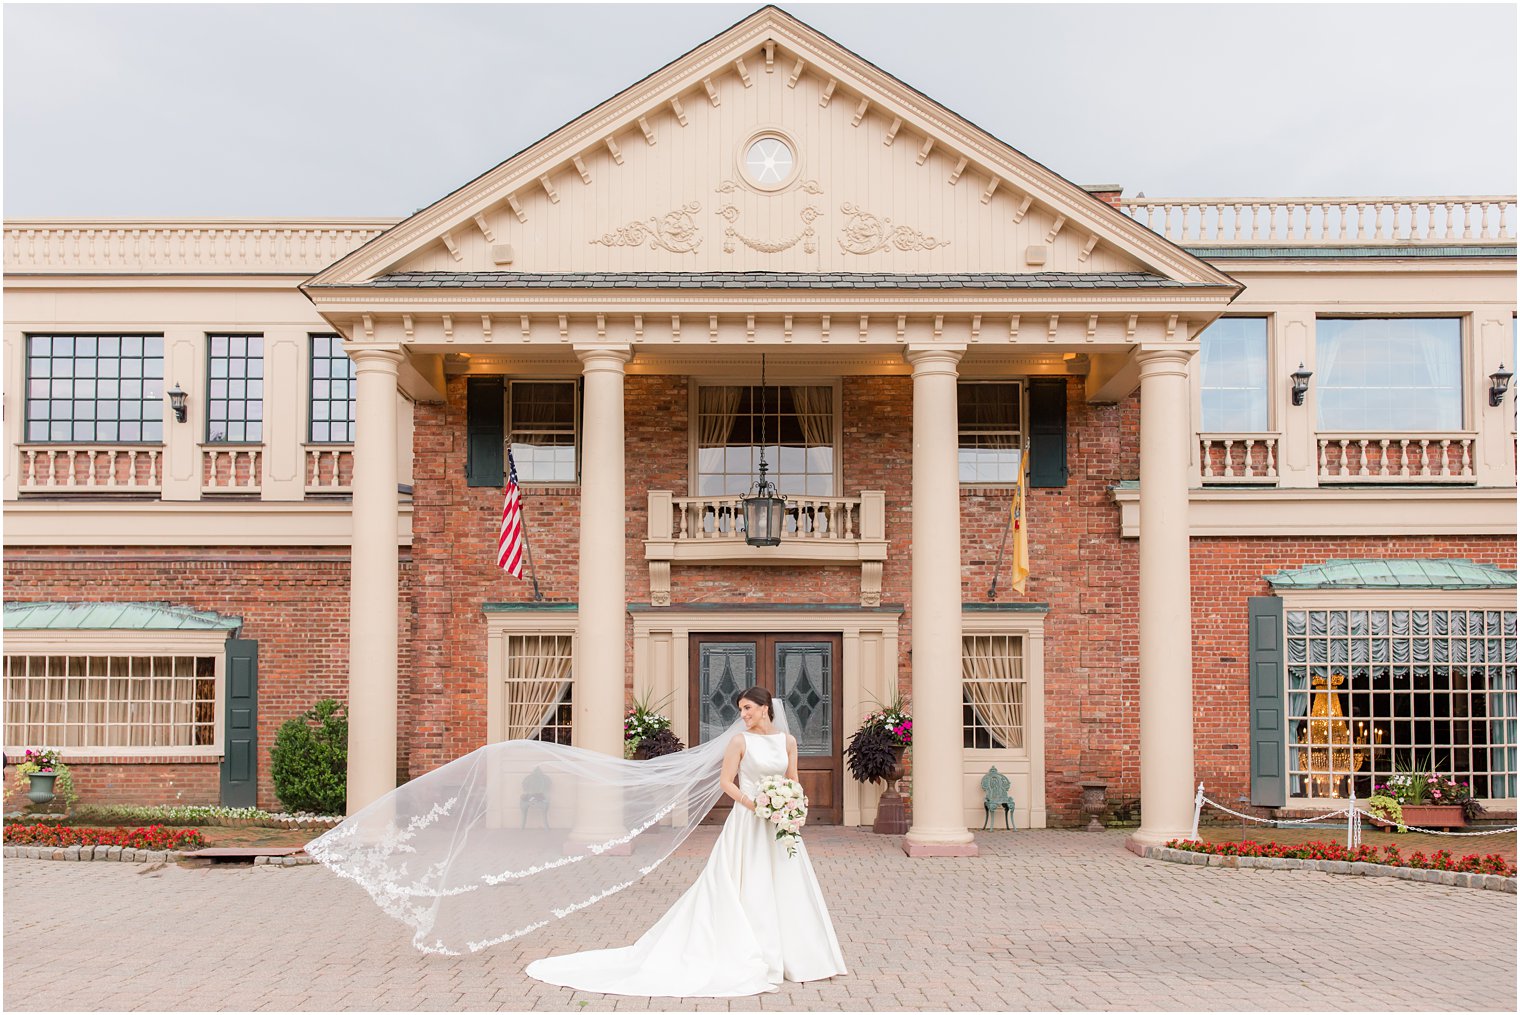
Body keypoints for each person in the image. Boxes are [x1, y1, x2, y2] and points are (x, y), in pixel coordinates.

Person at [523, 686, 849, 997]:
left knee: (787, 883)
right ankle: (752, 949)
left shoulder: (787, 741)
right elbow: (726, 783)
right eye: (740, 710)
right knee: (748, 881)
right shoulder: (739, 741)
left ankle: (800, 956)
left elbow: (792, 779)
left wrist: (793, 806)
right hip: (749, 821)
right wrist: (757, 805)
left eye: (748, 708)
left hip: (779, 824)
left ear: (765, 708)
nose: (744, 715)